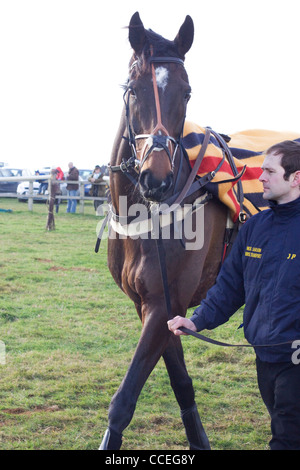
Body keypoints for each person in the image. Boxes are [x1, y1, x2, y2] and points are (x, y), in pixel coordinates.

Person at [168, 140, 300, 450]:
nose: (260, 177)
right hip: (265, 353)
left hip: (295, 357)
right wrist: (197, 321)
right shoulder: (255, 227)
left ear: (296, 178)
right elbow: (231, 285)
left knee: (286, 438)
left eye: (269, 171)